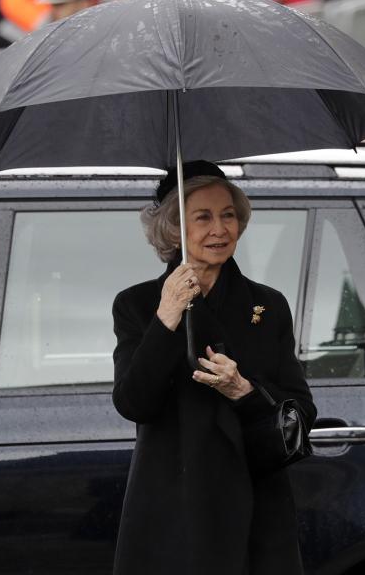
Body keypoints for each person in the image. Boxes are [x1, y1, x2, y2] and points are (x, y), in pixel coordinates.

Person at [112, 160, 316, 575]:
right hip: (175, 506)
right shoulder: (137, 304)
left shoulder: (268, 305)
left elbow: (301, 409)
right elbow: (134, 402)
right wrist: (167, 316)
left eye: (228, 215)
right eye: (202, 217)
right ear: (172, 230)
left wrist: (244, 390)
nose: (220, 229)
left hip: (256, 502)